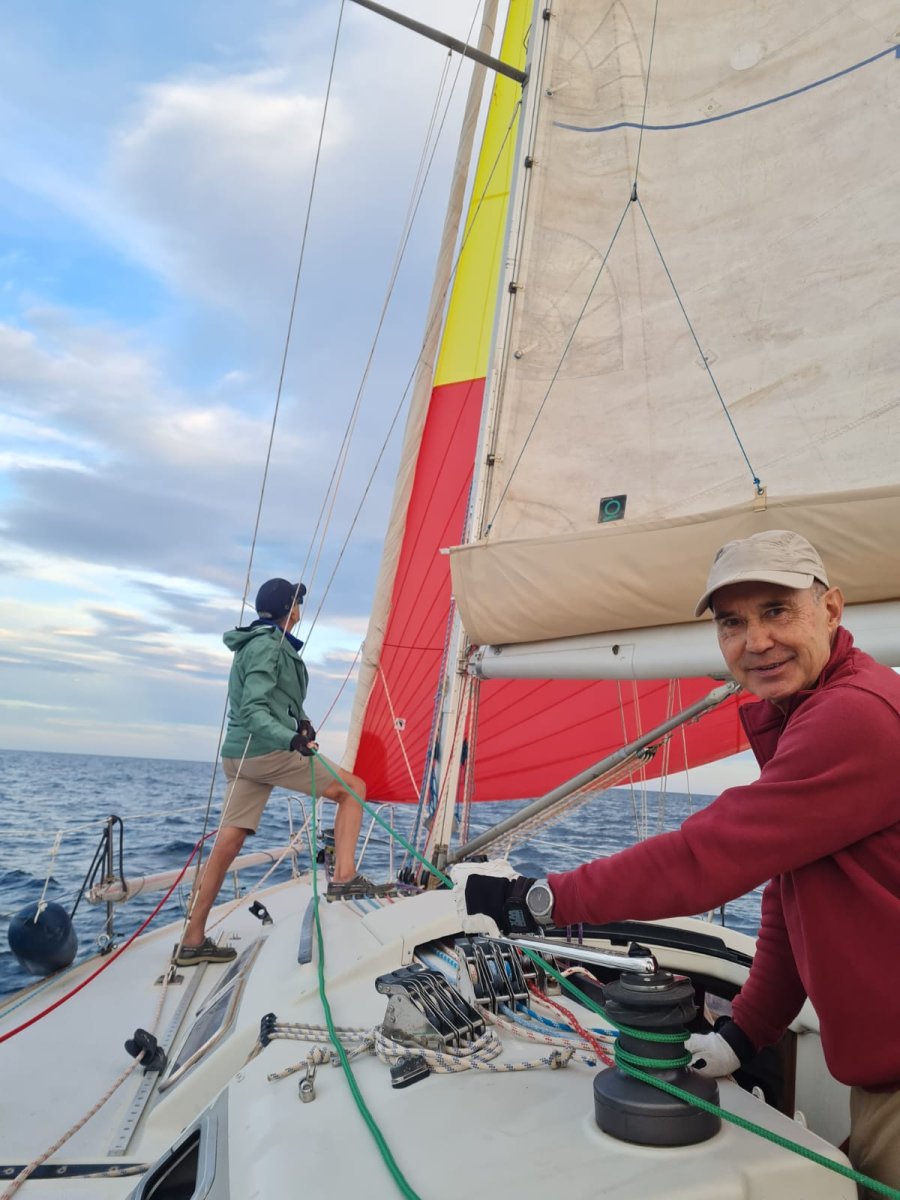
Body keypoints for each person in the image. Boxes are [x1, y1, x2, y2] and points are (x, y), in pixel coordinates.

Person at [456, 529, 900, 1195]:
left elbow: (705, 860)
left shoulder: (854, 717)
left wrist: (534, 900)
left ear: (831, 609)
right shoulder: (820, 712)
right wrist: (746, 1035)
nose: (755, 641)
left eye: (776, 611)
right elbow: (786, 897)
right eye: (732, 622)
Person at [176, 577, 383, 967]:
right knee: (353, 789)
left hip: (240, 756)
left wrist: (300, 723)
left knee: (228, 842)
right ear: (291, 609)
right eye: (297, 603)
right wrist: (290, 738)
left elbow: (274, 699)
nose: (300, 609)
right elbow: (255, 709)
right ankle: (344, 877)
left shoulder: (256, 643)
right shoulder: (269, 647)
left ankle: (192, 938)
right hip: (265, 751)